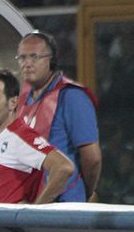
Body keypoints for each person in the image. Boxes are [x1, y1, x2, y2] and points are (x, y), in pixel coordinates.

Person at [15, 31, 101, 202]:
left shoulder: (72, 96)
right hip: (32, 202)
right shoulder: (23, 97)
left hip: (64, 203)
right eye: (22, 58)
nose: (27, 64)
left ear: (51, 60)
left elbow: (92, 158)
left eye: (34, 57)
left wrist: (85, 191)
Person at [0, 69, 75, 204]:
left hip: (9, 225)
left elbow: (63, 167)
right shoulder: (0, 138)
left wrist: (34, 213)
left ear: (13, 102)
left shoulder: (20, 136)